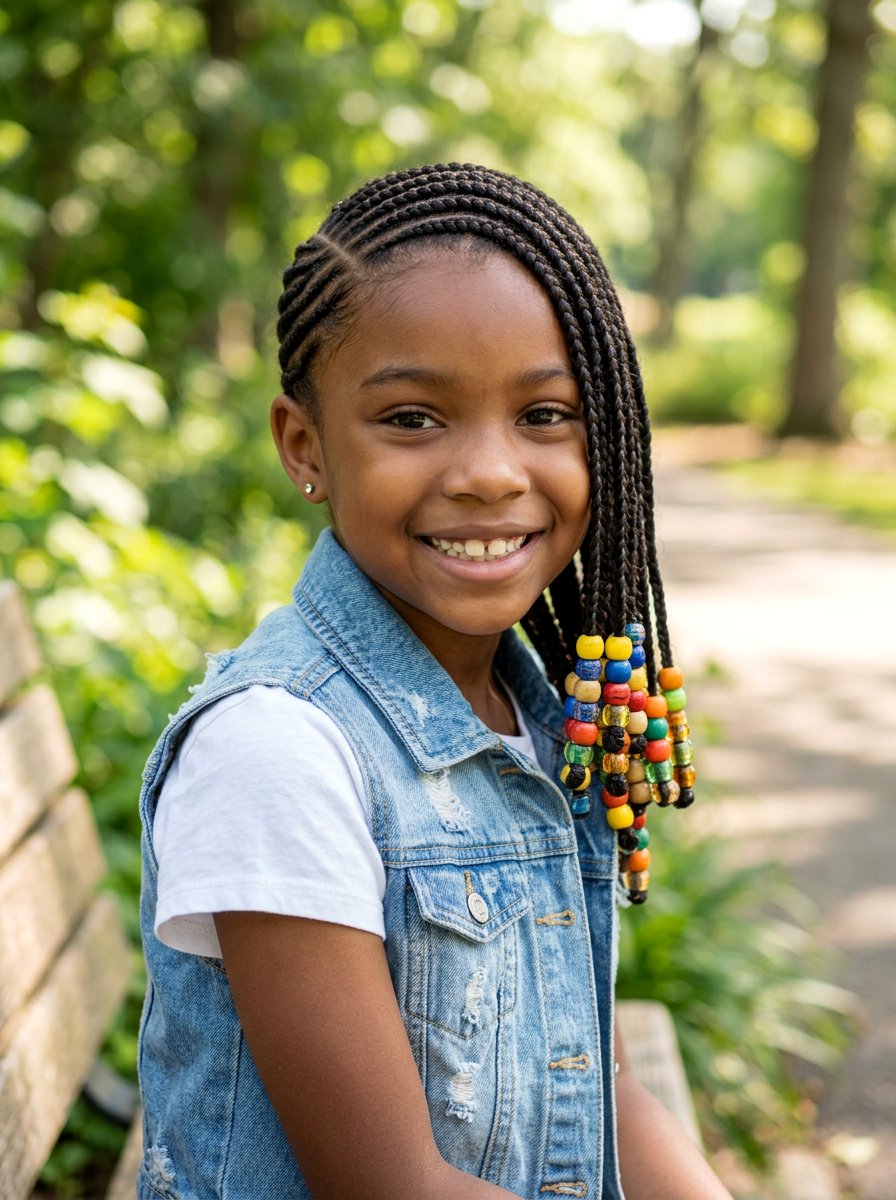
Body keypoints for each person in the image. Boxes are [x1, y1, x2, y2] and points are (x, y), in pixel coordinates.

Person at [136, 163, 732, 1199]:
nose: (489, 472)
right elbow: (392, 1187)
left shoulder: (535, 712)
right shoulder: (274, 753)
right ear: (304, 444)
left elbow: (596, 1082)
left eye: (545, 414)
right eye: (413, 418)